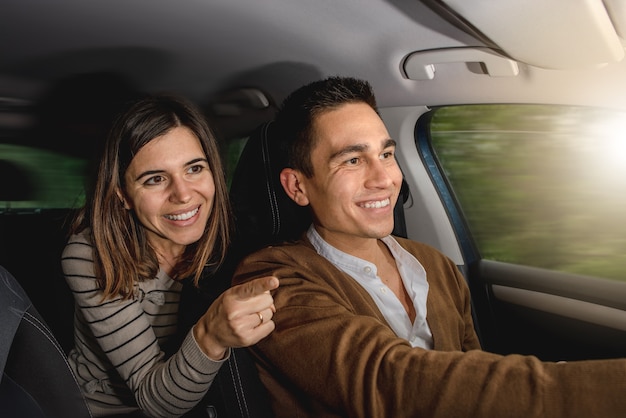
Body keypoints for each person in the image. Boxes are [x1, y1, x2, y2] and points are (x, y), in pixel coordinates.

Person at [232, 76, 626, 418]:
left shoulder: (433, 264)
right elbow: (389, 383)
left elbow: (473, 367)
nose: (384, 178)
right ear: (298, 186)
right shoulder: (272, 280)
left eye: (386, 154)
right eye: (352, 160)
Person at [61, 94, 278, 418]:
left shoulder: (234, 240)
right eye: (155, 179)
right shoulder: (91, 257)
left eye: (194, 168)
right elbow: (156, 401)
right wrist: (212, 333)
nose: (183, 194)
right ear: (123, 196)